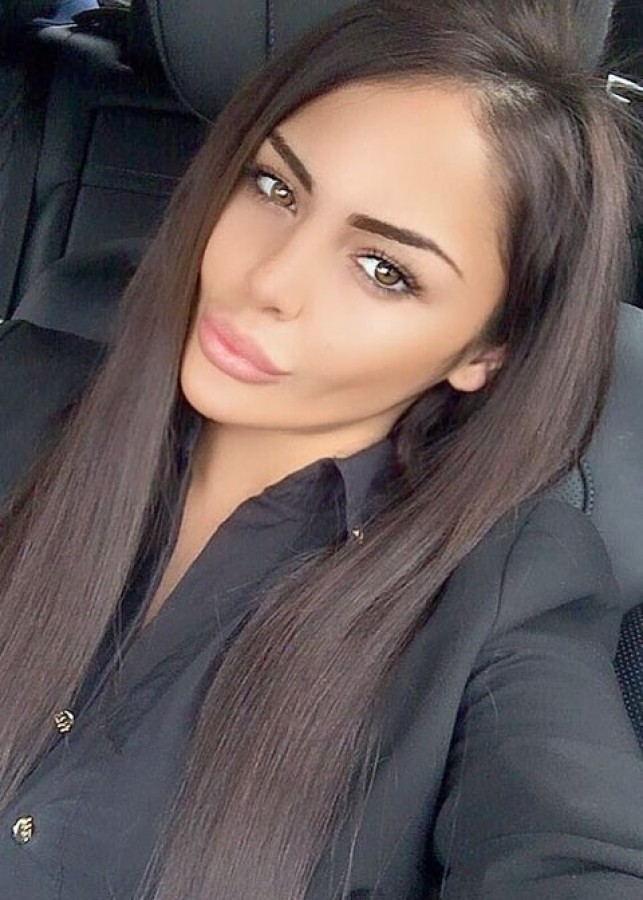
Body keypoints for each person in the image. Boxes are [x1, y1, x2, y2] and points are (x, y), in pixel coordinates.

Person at [0, 0, 642, 898]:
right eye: (275, 189)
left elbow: (573, 851)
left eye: (385, 271)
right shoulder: (27, 388)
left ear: (484, 352)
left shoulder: (504, 595)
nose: (268, 280)